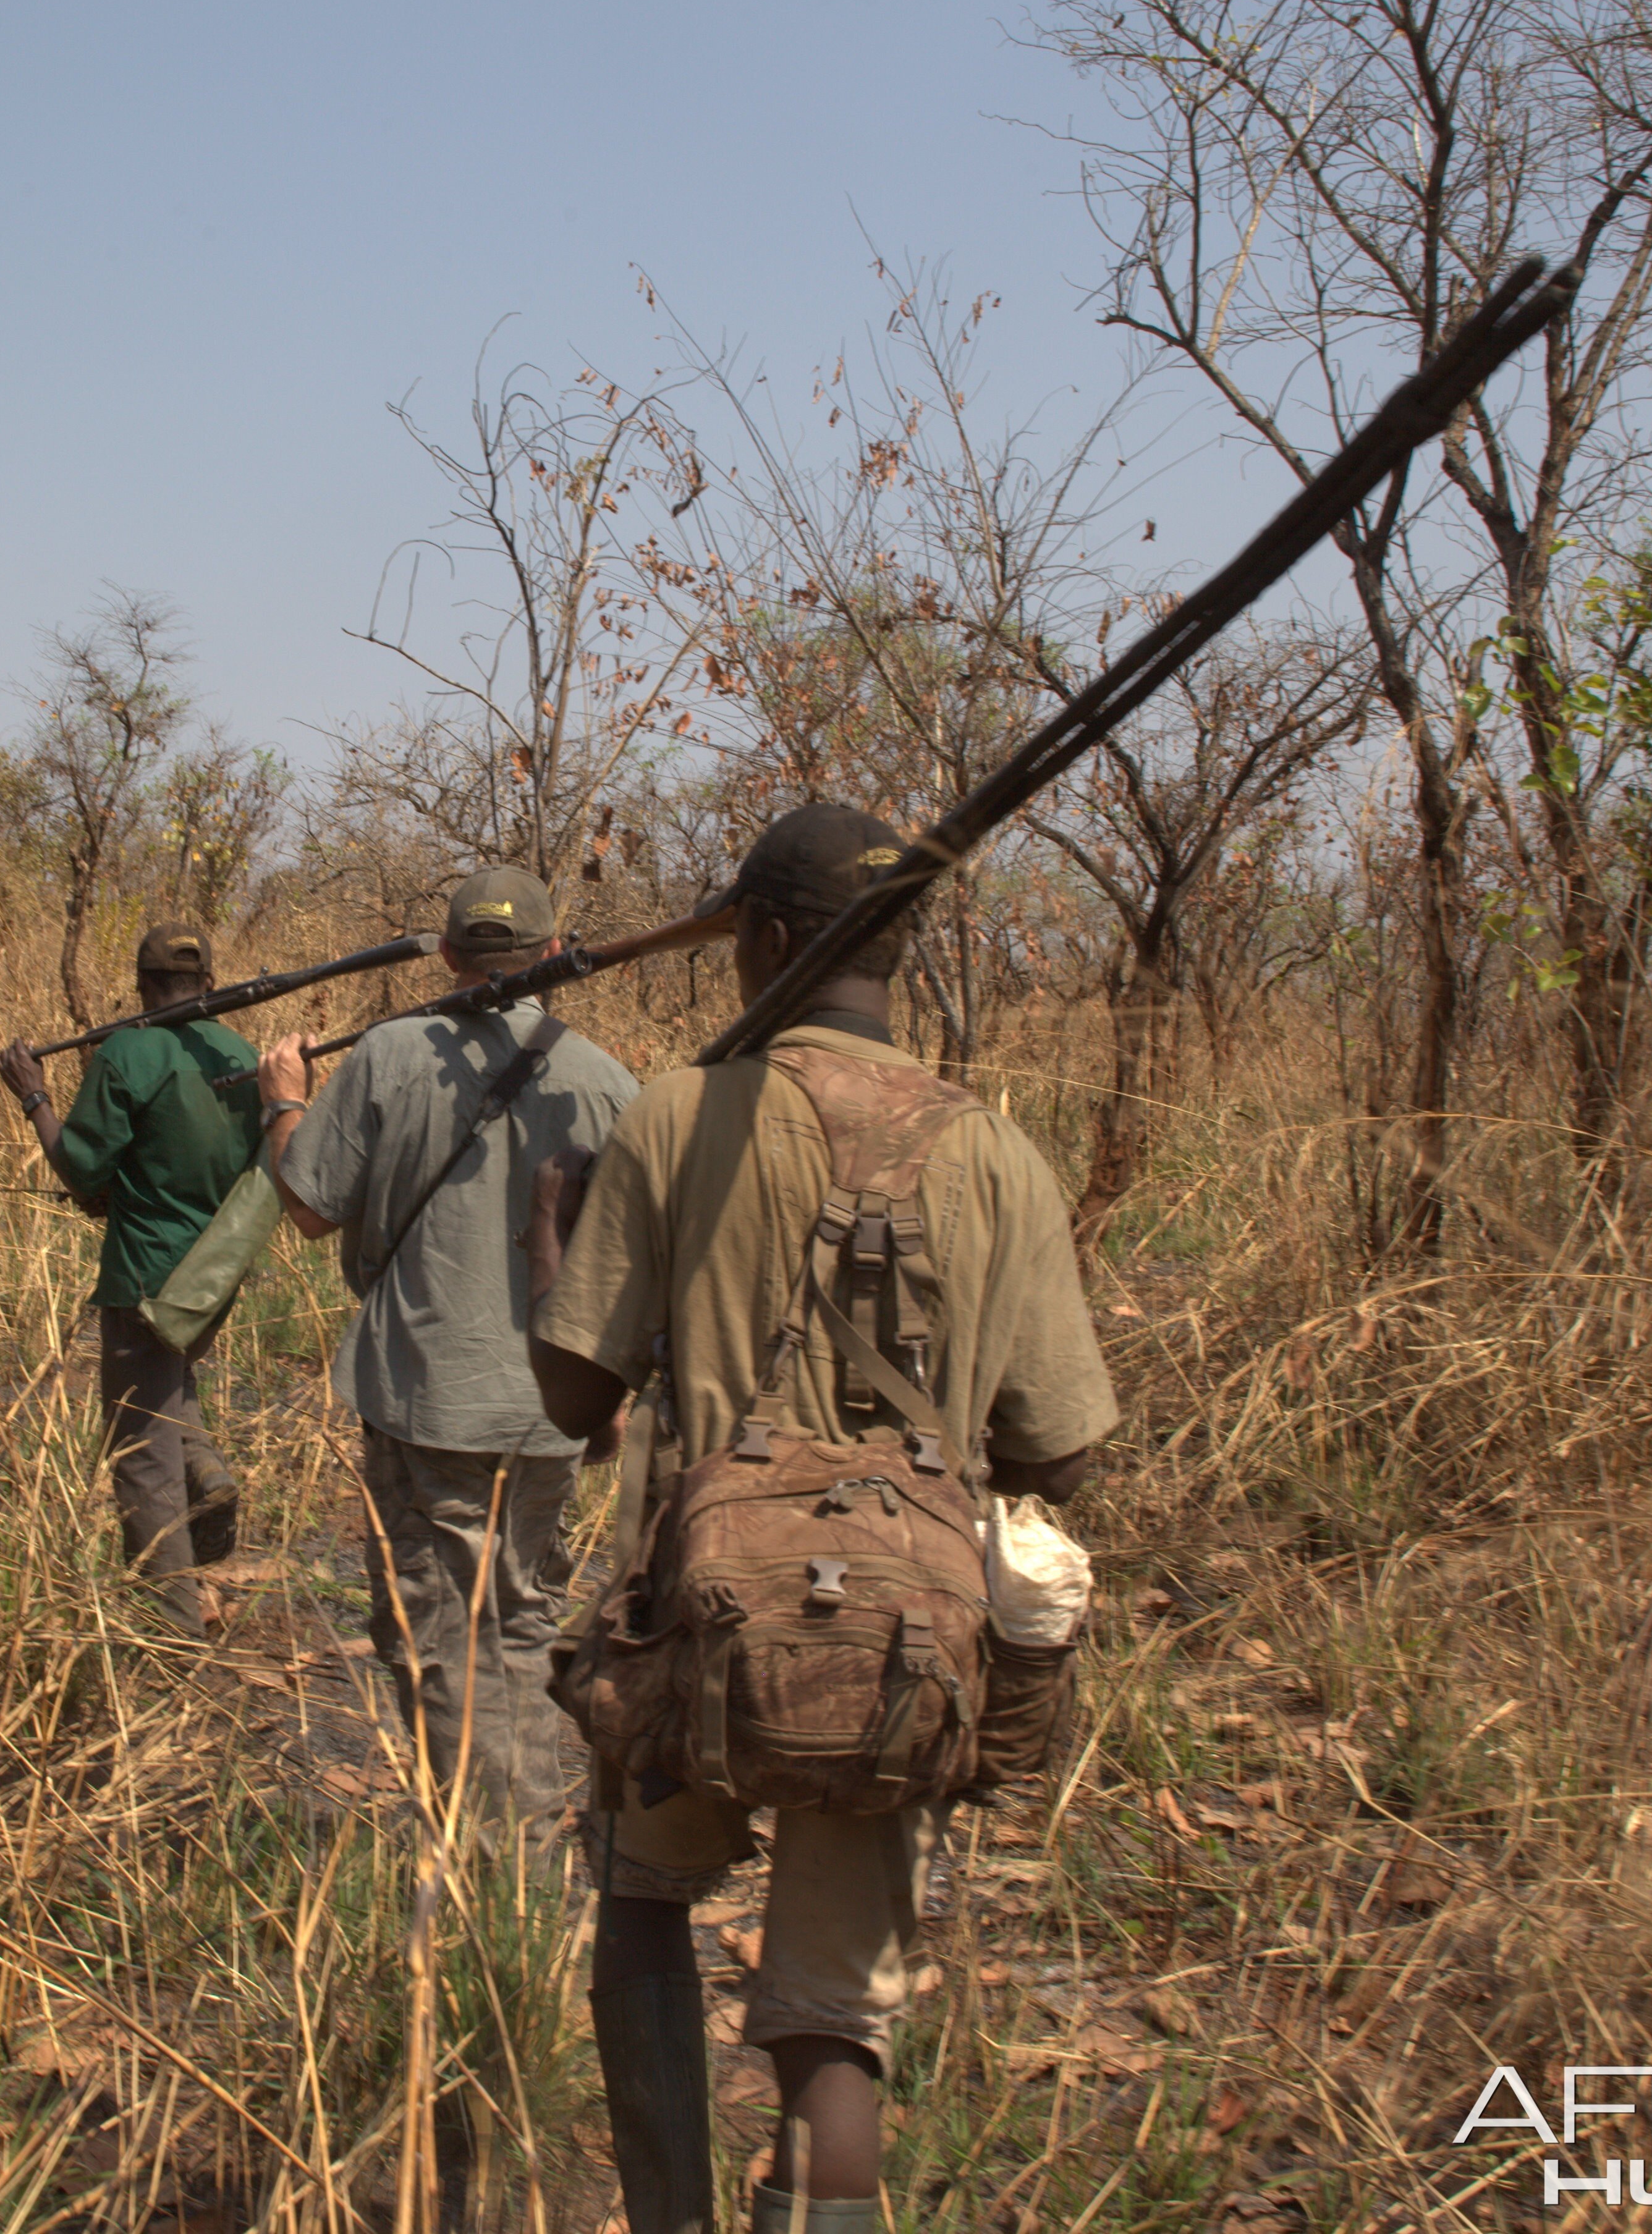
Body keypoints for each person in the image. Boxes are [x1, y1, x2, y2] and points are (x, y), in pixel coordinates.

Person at [525, 804, 1120, 2234]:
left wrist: (560, 1228)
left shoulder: (676, 1112)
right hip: (902, 1640)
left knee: (643, 1904)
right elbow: (1059, 1451)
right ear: (899, 954)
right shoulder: (998, 1156)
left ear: (771, 942)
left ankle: (667, 2213)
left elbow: (566, 1395)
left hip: (691, 1613)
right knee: (830, 2016)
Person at [253, 866, 640, 1824]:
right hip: (555, 1406)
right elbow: (632, 1267)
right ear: (553, 958)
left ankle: (491, 1871)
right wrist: (614, 1403)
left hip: (429, 1402)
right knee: (516, 1625)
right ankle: (524, 1857)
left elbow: (305, 1204)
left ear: (449, 955)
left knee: (438, 1635)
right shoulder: (610, 1084)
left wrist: (282, 1099)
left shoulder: (387, 1056)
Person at [0, 923, 256, 1632]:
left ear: (140, 986)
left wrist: (33, 1097)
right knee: (168, 1384)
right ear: (210, 985)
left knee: (141, 1455)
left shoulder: (129, 1052)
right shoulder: (241, 1055)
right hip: (216, 1271)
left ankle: (172, 1636)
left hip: (145, 1274)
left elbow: (81, 1173)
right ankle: (208, 1476)